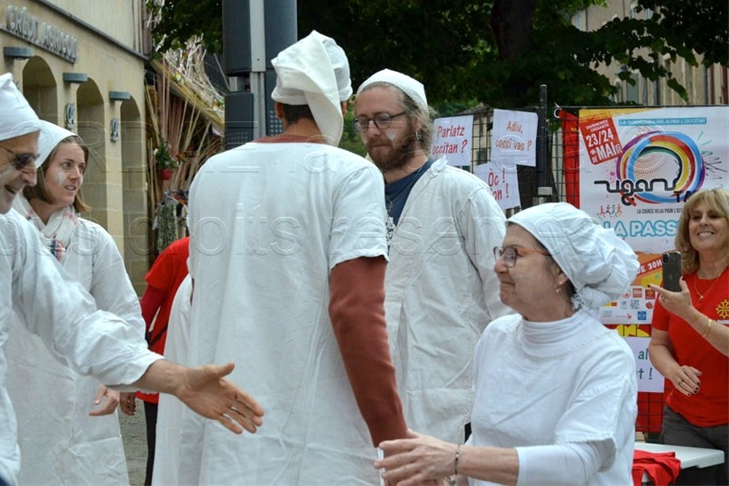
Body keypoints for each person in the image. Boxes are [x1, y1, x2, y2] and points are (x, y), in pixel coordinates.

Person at [0, 74, 264, 484]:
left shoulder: (7, 234)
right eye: (21, 160)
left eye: (35, 161)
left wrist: (178, 380)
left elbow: (77, 324)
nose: (31, 177)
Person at [153, 31, 408, 484]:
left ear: (277, 108)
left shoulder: (213, 173)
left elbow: (199, 295)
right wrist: (396, 441)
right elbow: (355, 311)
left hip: (227, 424)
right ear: (341, 106)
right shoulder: (351, 175)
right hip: (320, 437)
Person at [375, 201, 640, 486]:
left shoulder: (604, 356)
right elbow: (484, 440)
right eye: (501, 253)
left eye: (515, 255)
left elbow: (576, 462)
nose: (498, 266)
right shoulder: (497, 336)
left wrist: (454, 457)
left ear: (561, 271)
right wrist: (446, 480)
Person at [353, 69, 510, 443]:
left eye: (384, 118)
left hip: (453, 390)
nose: (373, 131)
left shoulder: (462, 193)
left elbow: (505, 292)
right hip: (376, 391)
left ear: (417, 121)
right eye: (363, 121)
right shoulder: (356, 197)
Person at [3, 121, 144, 484]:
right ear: (37, 168)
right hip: (14, 387)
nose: (76, 175)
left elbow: (124, 314)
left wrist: (119, 377)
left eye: (81, 167)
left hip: (80, 396)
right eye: (66, 165)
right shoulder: (0, 232)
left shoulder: (93, 241)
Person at [649, 187, 729, 485]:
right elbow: (658, 344)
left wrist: (689, 313)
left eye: (713, 215)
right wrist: (673, 370)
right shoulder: (677, 282)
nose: (702, 222)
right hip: (684, 421)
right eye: (695, 217)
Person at [121, 235, 191, 486]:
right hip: (167, 373)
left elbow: (144, 314)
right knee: (163, 456)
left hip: (169, 372)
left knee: (162, 458)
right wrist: (130, 378)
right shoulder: (178, 252)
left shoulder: (177, 251)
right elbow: (142, 317)